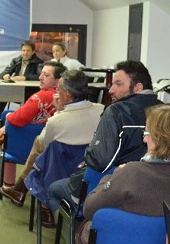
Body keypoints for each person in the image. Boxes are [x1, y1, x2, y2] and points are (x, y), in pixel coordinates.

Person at [78, 103, 170, 244]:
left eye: (147, 132)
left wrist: (112, 176)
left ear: (162, 137)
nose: (144, 138)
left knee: (85, 226)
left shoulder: (131, 173)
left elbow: (89, 209)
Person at [47, 60, 161, 214]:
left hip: (109, 191)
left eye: (118, 84)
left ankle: (78, 235)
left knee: (52, 190)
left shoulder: (115, 111)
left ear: (138, 87)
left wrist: (89, 150)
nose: (111, 90)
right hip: (154, 195)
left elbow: (100, 161)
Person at [0, 69, 104, 214]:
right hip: (89, 170)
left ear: (67, 94)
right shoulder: (102, 111)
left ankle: (21, 189)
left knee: (42, 146)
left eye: (58, 90)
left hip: (59, 171)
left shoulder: (57, 121)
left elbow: (43, 141)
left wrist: (60, 111)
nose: (56, 93)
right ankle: (21, 190)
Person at [0, 61, 65, 152]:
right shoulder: (65, 95)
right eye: (41, 73)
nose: (40, 77)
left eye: (46, 75)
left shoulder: (41, 96)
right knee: (11, 116)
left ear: (57, 81)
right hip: (51, 141)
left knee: (10, 119)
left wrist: (7, 123)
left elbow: (17, 119)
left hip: (29, 142)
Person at [0, 41, 42, 131]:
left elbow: (40, 77)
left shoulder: (38, 62)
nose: (25, 53)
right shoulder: (16, 60)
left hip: (30, 92)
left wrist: (25, 77)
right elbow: (2, 74)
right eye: (23, 50)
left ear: (33, 52)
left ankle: (23, 121)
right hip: (16, 90)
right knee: (3, 96)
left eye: (28, 51)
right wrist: (5, 75)